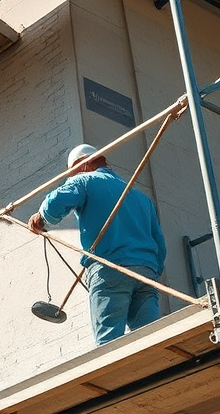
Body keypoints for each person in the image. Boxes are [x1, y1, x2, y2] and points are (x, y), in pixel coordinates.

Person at [28, 143, 167, 346]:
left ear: (82, 165)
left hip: (110, 267)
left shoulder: (85, 180)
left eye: (72, 173)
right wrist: (151, 269)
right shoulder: (142, 199)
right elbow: (160, 246)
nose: (71, 177)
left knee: (109, 343)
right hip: (146, 272)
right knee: (149, 340)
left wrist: (41, 218)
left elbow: (57, 201)